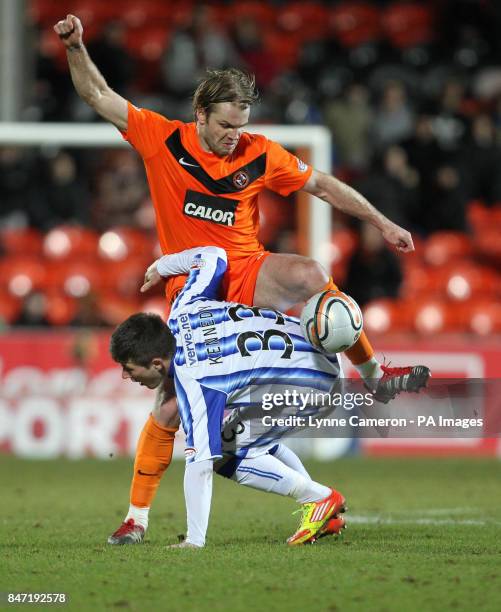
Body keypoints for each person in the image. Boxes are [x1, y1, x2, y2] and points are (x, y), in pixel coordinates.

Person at [53, 14, 431, 543]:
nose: (235, 136)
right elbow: (97, 93)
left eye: (242, 124)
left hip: (247, 272)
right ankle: (137, 518)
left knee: (312, 274)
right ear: (201, 114)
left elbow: (322, 185)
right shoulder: (161, 140)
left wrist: (382, 222)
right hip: (195, 291)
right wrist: (75, 46)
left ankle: (372, 377)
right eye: (226, 125)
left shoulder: (259, 154)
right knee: (167, 411)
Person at [111, 246, 346, 546]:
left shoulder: (194, 379)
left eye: (129, 369)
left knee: (222, 455)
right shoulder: (185, 306)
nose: (125, 376)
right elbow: (213, 256)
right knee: (243, 440)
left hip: (311, 384)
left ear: (157, 363)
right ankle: (319, 506)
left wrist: (194, 540)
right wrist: (164, 265)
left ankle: (319, 499)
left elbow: (200, 465)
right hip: (315, 355)